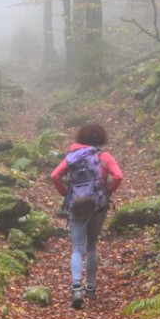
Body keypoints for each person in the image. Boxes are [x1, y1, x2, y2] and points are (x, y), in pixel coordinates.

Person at [50, 122, 123, 309]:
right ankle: (90, 287)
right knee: (91, 247)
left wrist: (65, 193)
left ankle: (76, 287)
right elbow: (118, 176)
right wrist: (108, 191)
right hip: (98, 206)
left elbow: (55, 176)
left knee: (77, 248)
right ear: (101, 138)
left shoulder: (72, 156)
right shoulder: (104, 156)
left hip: (77, 206)